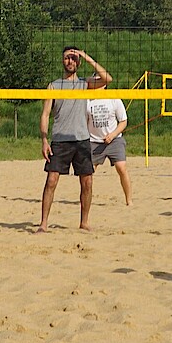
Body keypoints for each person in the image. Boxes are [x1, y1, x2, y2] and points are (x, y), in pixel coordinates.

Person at [39, 46, 111, 232]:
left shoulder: (84, 84)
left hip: (81, 140)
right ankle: (43, 224)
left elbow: (107, 78)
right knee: (51, 181)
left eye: (73, 58)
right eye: (67, 58)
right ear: (62, 61)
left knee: (87, 182)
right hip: (60, 140)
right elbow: (46, 114)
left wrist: (86, 56)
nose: (70, 61)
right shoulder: (54, 85)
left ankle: (84, 223)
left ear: (78, 62)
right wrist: (45, 140)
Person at [86, 87, 131, 206]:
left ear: (104, 84)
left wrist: (113, 134)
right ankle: (86, 200)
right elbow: (84, 122)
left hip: (114, 140)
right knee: (88, 173)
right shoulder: (87, 100)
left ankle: (129, 200)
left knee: (121, 168)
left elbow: (123, 121)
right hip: (94, 142)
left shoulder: (113, 98)